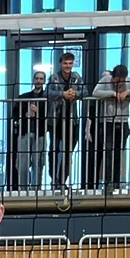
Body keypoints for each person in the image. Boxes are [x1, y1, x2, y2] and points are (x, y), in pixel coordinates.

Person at [92, 64, 130, 193]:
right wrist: (112, 93)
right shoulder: (105, 80)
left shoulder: (129, 82)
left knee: (118, 154)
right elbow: (95, 92)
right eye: (117, 81)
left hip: (123, 123)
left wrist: (128, 92)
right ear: (112, 77)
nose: (120, 84)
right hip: (107, 123)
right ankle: (108, 183)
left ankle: (116, 183)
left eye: (122, 81)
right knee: (108, 153)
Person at [45, 52, 85, 188]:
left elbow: (85, 92)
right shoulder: (54, 77)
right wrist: (62, 94)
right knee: (54, 150)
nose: (68, 66)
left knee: (68, 152)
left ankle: (62, 180)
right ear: (60, 64)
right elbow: (47, 93)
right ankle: (54, 179)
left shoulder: (76, 77)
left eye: (70, 63)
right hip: (56, 120)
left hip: (72, 120)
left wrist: (75, 94)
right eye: (65, 63)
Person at [12, 75, 49, 189]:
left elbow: (49, 117)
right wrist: (26, 114)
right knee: (22, 163)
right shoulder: (23, 98)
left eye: (41, 79)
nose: (38, 81)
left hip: (40, 134)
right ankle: (23, 189)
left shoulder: (47, 99)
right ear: (33, 80)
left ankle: (36, 189)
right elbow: (15, 114)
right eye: (37, 78)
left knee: (38, 163)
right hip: (24, 133)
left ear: (44, 81)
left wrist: (38, 113)